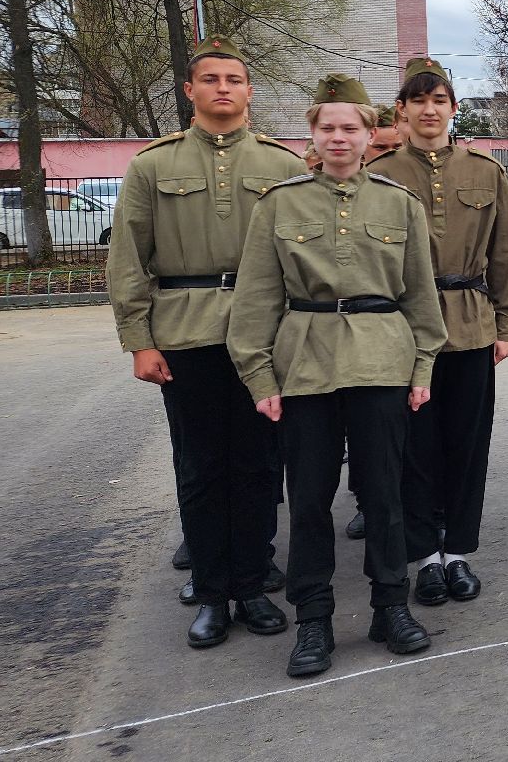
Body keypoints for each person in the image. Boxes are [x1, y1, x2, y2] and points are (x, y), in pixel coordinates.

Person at [228, 74, 445, 678]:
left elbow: (421, 299)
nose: (340, 137)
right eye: (329, 127)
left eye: (351, 127)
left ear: (368, 134)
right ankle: (315, 620)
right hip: (307, 366)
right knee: (309, 499)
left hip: (382, 361)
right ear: (313, 135)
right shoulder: (279, 204)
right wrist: (260, 378)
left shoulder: (399, 204)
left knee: (383, 494)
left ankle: (389, 607)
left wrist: (423, 365)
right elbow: (255, 302)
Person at [108, 37, 305, 649]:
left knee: (258, 464)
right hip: (186, 331)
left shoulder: (282, 166)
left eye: (235, 79)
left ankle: (251, 585)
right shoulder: (152, 165)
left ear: (250, 91)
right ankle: (212, 594)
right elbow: (128, 258)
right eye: (211, 79)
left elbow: (305, 256)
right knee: (200, 467)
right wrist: (138, 339)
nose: (224, 88)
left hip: (264, 334)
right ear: (190, 91)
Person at [368, 57, 508, 608]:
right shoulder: (381, 174)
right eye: (419, 101)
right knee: (413, 448)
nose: (430, 110)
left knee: (466, 443)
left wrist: (504, 322)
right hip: (403, 330)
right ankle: (423, 558)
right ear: (402, 111)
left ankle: (457, 551)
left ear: (454, 110)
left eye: (440, 101)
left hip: (471, 325)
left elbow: (505, 251)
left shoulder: (486, 173)